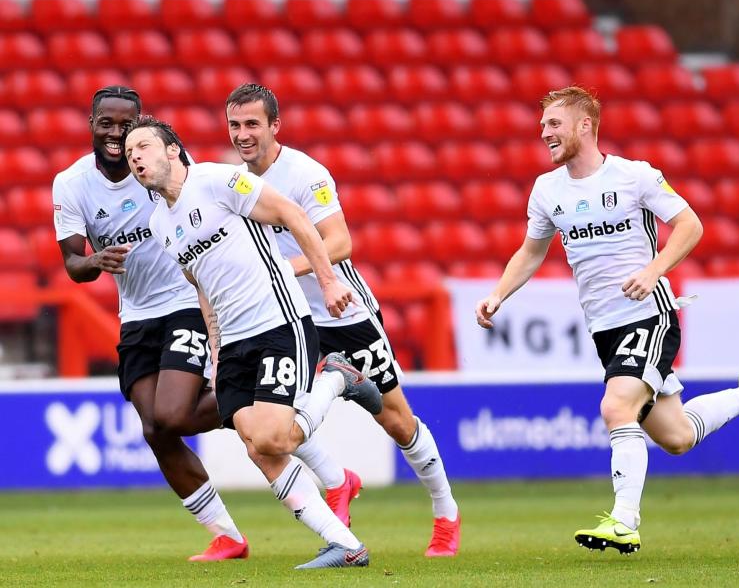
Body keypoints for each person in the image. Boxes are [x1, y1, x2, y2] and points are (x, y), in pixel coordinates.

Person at [475, 86, 739, 554]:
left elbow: (691, 225)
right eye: (543, 124)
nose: (543, 132)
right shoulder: (547, 190)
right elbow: (531, 251)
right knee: (677, 437)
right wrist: (497, 294)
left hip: (649, 315)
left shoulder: (634, 176)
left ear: (584, 125)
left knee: (615, 407)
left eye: (554, 124)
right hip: (604, 329)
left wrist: (653, 271)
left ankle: (625, 520)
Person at [124, 115, 383, 569]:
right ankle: (345, 544)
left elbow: (292, 215)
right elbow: (202, 287)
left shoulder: (218, 180)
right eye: (129, 154)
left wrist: (326, 282)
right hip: (235, 340)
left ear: (171, 149)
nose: (135, 158)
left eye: (143, 146)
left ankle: (336, 380)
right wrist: (216, 349)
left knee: (274, 437)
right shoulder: (160, 225)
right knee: (255, 445)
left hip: (278, 322)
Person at [222, 83, 460, 557]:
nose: (244, 135)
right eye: (235, 125)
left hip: (343, 312)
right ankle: (337, 480)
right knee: (268, 419)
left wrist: (283, 270)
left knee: (396, 420)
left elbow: (340, 242)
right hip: (287, 320)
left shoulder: (305, 174)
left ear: (275, 126)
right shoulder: (231, 183)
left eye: (253, 124)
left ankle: (445, 512)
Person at [52, 86, 248, 562]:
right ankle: (227, 536)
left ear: (141, 125)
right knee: (154, 429)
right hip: (136, 314)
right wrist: (95, 259)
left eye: (127, 125)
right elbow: (72, 267)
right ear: (91, 124)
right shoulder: (72, 183)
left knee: (175, 415)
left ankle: (261, 394)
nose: (117, 134)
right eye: (107, 123)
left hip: (186, 300)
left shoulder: (156, 165)